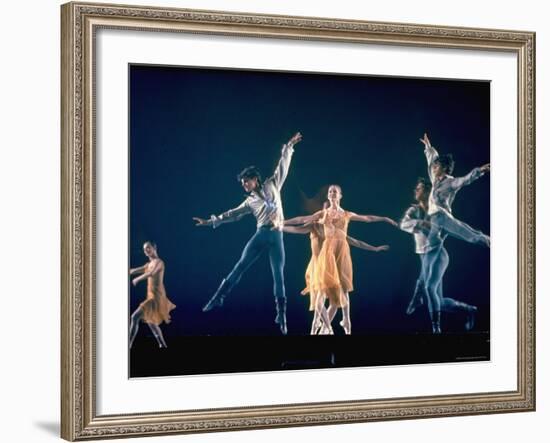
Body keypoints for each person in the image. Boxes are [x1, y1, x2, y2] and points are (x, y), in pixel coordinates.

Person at [193, 132, 303, 335]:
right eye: (243, 183)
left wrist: (288, 146)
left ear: (254, 179)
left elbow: (283, 166)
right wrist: (210, 221)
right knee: (240, 265)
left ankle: (282, 316)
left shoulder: (272, 184)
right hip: (261, 235)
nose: (244, 185)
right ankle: (218, 297)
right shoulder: (249, 201)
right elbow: (232, 214)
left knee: (278, 276)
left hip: (277, 236)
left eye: (246, 181)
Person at [281, 185, 397, 334]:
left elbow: (367, 218)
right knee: (322, 289)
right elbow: (302, 219)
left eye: (335, 191)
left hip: (342, 252)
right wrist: (282, 222)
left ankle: (342, 324)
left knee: (342, 286)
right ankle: (323, 326)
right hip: (328, 251)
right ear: (328, 196)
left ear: (340, 195)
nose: (332, 193)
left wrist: (384, 219)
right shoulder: (322, 214)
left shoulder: (347, 214)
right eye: (330, 191)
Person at [400, 178, 477, 334]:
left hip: (438, 254)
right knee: (439, 302)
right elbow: (403, 224)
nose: (416, 190)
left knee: (429, 288)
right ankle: (468, 309)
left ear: (428, 192)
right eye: (416, 188)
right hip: (424, 257)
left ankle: (436, 328)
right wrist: (420, 223)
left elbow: (453, 227)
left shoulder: (439, 213)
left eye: (419, 188)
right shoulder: (413, 210)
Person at [420, 133, 490, 248]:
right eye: (434, 166)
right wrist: (428, 146)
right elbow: (432, 160)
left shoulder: (451, 182)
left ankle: (488, 241)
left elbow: (465, 180)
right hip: (434, 219)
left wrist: (480, 170)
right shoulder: (435, 178)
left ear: (444, 168)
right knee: (431, 245)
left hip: (442, 217)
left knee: (469, 234)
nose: (434, 168)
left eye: (437, 166)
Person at [129, 241, 176, 348]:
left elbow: (151, 273)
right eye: (144, 249)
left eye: (148, 248)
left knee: (134, 317)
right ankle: (162, 345)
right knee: (151, 322)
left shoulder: (159, 262)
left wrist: (137, 279)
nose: (146, 250)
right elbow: (132, 271)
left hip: (156, 298)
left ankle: (128, 345)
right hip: (151, 297)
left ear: (154, 247)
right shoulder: (148, 264)